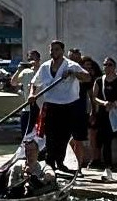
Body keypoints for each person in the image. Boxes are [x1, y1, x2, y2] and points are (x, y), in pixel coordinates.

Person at [30, 40, 90, 173]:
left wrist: (73, 73)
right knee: (50, 135)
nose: (53, 52)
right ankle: (50, 162)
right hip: (51, 105)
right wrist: (32, 95)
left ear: (62, 51)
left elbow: (87, 77)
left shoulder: (71, 65)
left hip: (68, 106)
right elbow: (34, 83)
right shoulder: (45, 66)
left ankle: (60, 162)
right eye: (51, 50)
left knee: (63, 136)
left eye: (56, 50)